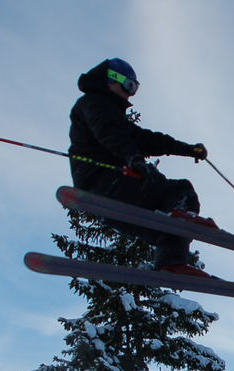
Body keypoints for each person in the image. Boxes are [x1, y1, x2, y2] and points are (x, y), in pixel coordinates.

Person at [69, 57, 214, 277]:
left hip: (110, 200)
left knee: (166, 226)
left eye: (134, 88)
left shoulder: (114, 116)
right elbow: (109, 133)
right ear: (111, 79)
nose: (130, 94)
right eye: (129, 86)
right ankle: (178, 221)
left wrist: (188, 149)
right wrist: (133, 158)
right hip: (106, 184)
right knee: (180, 191)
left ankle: (171, 262)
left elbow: (150, 140)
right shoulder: (94, 103)